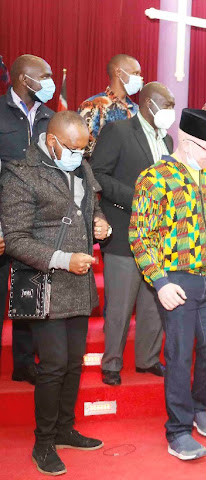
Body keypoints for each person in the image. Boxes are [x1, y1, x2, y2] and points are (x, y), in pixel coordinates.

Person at [0, 111, 110, 476]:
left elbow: (89, 210)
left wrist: (99, 224)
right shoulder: (20, 174)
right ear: (52, 142)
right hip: (45, 280)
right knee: (53, 366)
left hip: (77, 281)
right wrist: (62, 259)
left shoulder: (83, 169)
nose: (80, 154)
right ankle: (43, 442)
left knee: (75, 363)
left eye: (85, 147)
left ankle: (65, 429)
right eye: (74, 148)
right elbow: (15, 239)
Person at [130, 109, 206, 461]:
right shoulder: (156, 178)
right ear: (189, 144)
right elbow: (139, 236)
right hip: (175, 279)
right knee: (179, 354)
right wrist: (159, 281)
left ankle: (197, 405)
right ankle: (177, 430)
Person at [89, 82, 176, 386]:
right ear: (150, 104)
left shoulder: (167, 141)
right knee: (120, 306)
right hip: (124, 231)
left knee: (153, 303)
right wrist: (136, 197)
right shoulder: (119, 131)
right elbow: (97, 174)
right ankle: (112, 362)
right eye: (167, 105)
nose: (171, 112)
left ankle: (147, 359)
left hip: (158, 238)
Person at [0, 54, 56, 386]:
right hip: (3, 221)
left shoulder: (51, 117)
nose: (49, 81)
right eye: (44, 75)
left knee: (29, 294)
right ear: (24, 79)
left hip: (38, 223)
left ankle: (24, 363)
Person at [78, 54, 142, 152]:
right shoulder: (93, 105)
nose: (140, 78)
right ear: (118, 72)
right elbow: (84, 148)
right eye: (135, 73)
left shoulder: (136, 109)